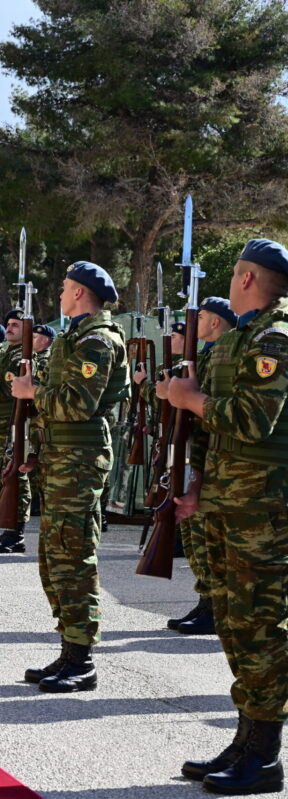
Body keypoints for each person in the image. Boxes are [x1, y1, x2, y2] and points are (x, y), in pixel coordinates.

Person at [167, 239, 288, 794]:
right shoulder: (240, 337)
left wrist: (189, 400)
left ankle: (264, 755)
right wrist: (197, 484)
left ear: (245, 279)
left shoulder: (275, 340)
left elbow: (250, 419)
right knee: (237, 626)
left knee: (260, 627)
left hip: (263, 510)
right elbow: (213, 432)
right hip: (227, 501)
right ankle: (245, 738)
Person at [11, 261, 126, 693]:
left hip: (79, 460)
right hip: (60, 456)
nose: (59, 294)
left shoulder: (97, 341)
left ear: (79, 293)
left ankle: (82, 659)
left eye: (63, 288)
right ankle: (68, 651)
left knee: (73, 557)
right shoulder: (75, 338)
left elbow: (78, 404)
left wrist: (32, 393)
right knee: (54, 559)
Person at [148, 298, 235, 636]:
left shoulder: (222, 356)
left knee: (205, 535)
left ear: (215, 322)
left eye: (201, 317)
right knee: (194, 534)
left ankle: (214, 606)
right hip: (192, 453)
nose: (194, 322)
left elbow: (206, 406)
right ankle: (206, 602)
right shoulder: (207, 356)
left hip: (208, 456)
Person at [0, 309, 32, 553]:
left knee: (15, 477)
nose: (10, 327)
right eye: (9, 323)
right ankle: (6, 526)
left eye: (16, 324)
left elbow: (6, 389)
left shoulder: (24, 357)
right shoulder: (5, 353)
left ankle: (16, 532)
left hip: (11, 423)